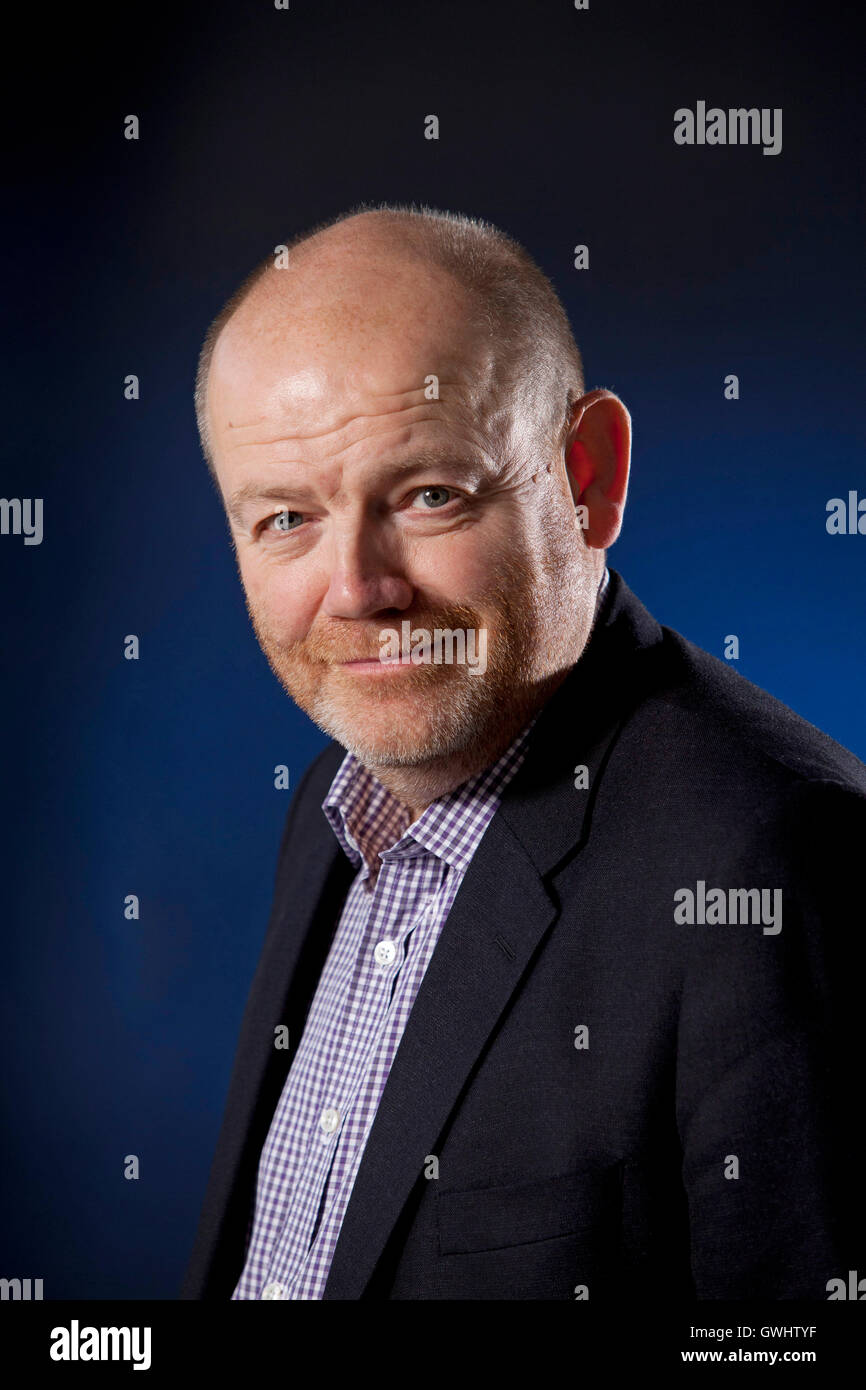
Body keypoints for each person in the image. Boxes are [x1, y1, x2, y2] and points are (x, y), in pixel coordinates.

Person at [181, 203, 865, 1301]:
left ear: (587, 475)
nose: (357, 591)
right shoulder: (335, 800)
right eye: (286, 520)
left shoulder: (772, 862)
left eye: (428, 494)